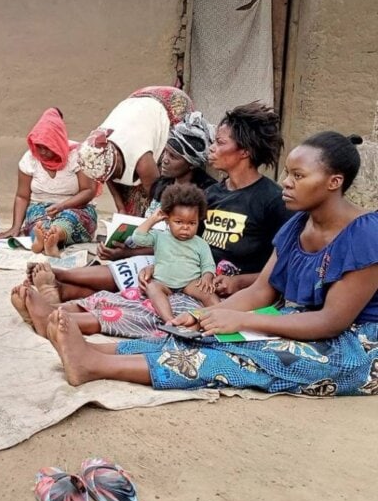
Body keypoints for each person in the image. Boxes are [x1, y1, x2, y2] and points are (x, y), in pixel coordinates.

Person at [40, 131, 378, 398]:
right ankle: (98, 350)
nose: (286, 183)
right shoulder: (296, 226)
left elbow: (333, 321)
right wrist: (208, 316)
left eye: (298, 176)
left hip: (356, 347)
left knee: (250, 357)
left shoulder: (366, 234)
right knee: (200, 332)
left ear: (334, 182)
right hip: (305, 322)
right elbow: (263, 289)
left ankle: (95, 365)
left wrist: (240, 318)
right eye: (288, 174)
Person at [16, 101, 290, 339]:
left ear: (245, 151)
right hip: (185, 272)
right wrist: (150, 258)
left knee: (142, 307)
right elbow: (185, 239)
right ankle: (56, 293)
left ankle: (56, 314)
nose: (212, 150)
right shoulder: (214, 194)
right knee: (134, 280)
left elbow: (280, 271)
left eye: (220, 143)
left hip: (221, 291)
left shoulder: (271, 201)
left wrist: (237, 283)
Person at [37, 111, 217, 299]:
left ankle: (61, 280)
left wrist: (126, 253)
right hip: (150, 250)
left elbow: (182, 241)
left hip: (176, 262)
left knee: (124, 271)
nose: (164, 159)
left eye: (174, 156)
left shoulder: (205, 195)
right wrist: (123, 243)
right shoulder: (164, 183)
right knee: (123, 274)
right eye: (166, 152)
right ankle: (59, 289)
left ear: (191, 163)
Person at [76, 85, 194, 216]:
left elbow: (156, 197)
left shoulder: (142, 160)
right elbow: (108, 176)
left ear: (118, 158)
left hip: (169, 102)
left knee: (168, 177)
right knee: (130, 208)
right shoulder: (99, 154)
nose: (113, 177)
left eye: (114, 172)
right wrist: (120, 208)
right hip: (134, 108)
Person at [0, 107, 97, 256]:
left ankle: (54, 238)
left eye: (47, 147)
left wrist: (62, 206)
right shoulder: (29, 159)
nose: (42, 152)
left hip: (76, 207)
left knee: (69, 219)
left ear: (57, 142)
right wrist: (15, 227)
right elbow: (22, 196)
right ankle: (42, 238)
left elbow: (88, 190)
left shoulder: (78, 155)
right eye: (38, 147)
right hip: (40, 207)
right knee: (38, 222)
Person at [131, 183, 219, 322]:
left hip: (190, 283)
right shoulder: (159, 236)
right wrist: (153, 219)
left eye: (192, 223)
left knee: (208, 293)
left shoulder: (200, 243)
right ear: (167, 220)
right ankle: (170, 320)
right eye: (178, 222)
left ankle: (220, 315)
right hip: (163, 282)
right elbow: (138, 238)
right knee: (152, 287)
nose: (185, 228)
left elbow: (208, 264)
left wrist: (207, 277)